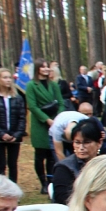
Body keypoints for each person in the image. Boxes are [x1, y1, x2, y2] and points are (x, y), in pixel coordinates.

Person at [25, 58, 64, 189]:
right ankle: (43, 182)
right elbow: (32, 106)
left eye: (47, 67)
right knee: (40, 154)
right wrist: (47, 120)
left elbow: (61, 102)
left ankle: (50, 181)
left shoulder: (53, 85)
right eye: (43, 67)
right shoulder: (31, 85)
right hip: (40, 122)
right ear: (37, 69)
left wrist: (58, 118)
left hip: (55, 120)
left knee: (51, 155)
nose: (46, 69)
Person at [52, 118, 103, 205]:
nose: (81, 147)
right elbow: (62, 200)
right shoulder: (64, 168)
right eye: (77, 142)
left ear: (99, 143)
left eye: (87, 142)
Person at [0, 68, 25, 182]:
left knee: (13, 164)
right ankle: (0, 190)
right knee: (0, 164)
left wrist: (17, 134)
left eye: (9, 77)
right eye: (5, 77)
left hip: (14, 136)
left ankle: (13, 190)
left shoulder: (17, 98)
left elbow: (22, 117)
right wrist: (1, 134)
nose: (8, 80)